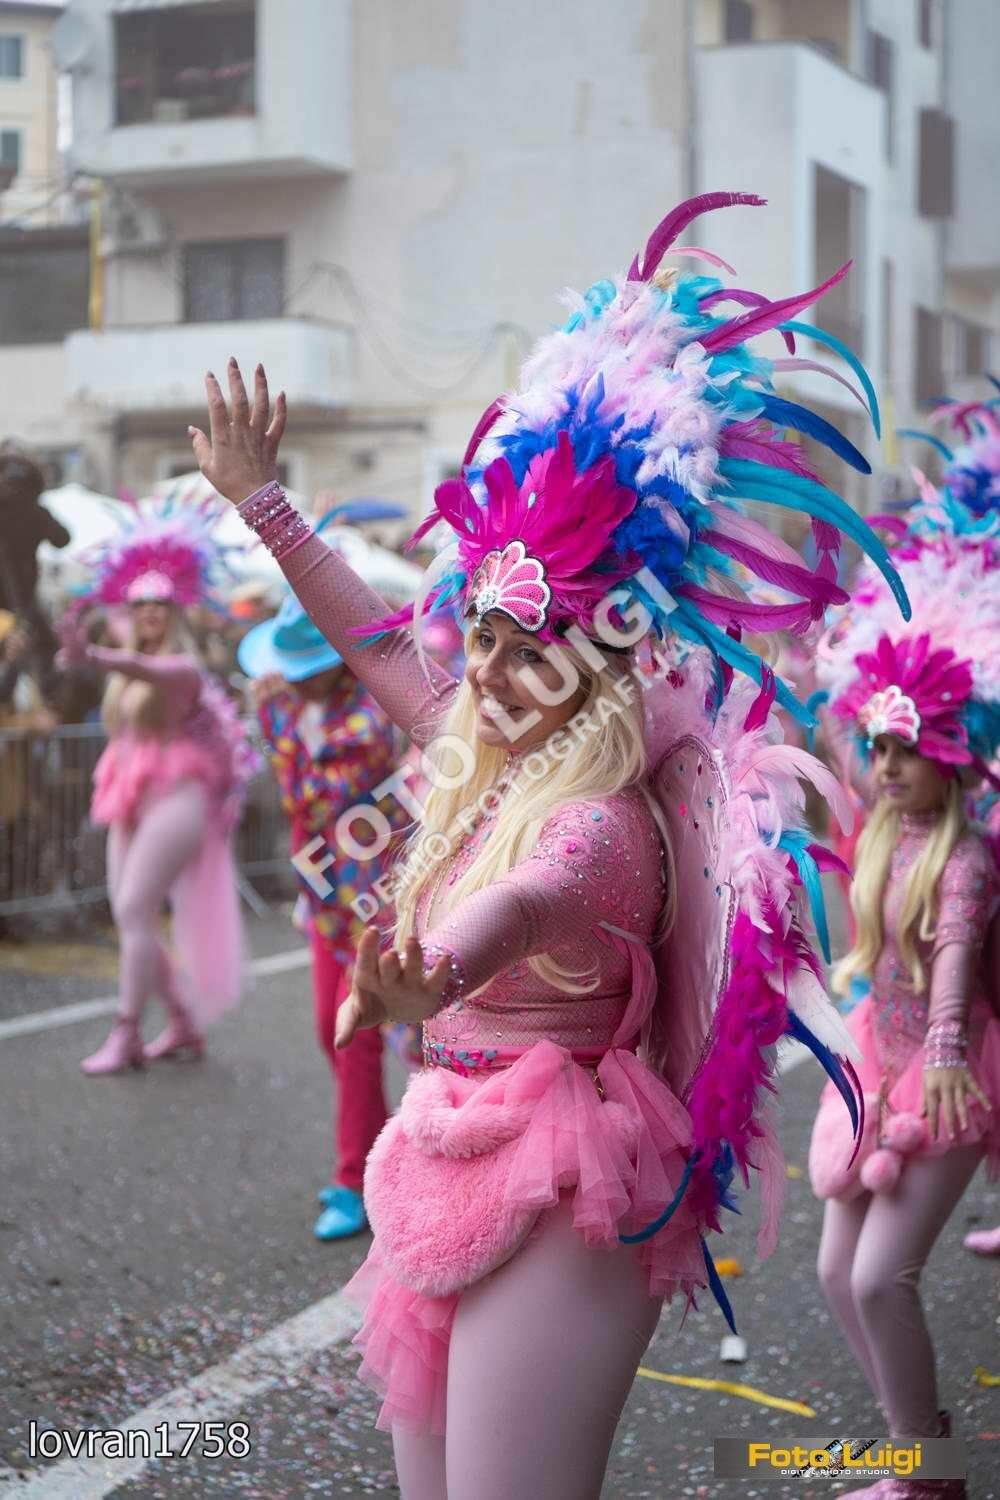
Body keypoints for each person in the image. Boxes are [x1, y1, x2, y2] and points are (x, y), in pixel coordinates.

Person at [190, 193, 904, 1500]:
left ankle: (922, 1456)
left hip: (568, 1174)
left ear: (596, 666)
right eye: (483, 639)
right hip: (446, 1134)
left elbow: (527, 903)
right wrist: (263, 503)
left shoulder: (603, 818)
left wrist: (434, 971)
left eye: (533, 650)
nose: (493, 672)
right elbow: (374, 642)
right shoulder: (482, 750)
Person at [809, 399, 1000, 1499]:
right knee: (839, 1275)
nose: (883, 765)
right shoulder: (882, 831)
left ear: (953, 757)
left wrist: (944, 1057)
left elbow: (958, 964)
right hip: (877, 1067)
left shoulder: (964, 857)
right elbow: (831, 727)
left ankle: (927, 1473)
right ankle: (911, 1450)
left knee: (883, 1277)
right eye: (876, 746)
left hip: (945, 1074)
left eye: (905, 748)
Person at [238, 555, 408, 1240]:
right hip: (322, 898)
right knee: (327, 1029)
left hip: (376, 899)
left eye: (306, 668)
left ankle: (358, 1176)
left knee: (359, 1034)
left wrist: (274, 723)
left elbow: (318, 792)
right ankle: (382, 1153)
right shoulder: (291, 712)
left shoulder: (369, 714)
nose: (294, 680)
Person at [57, 496, 257, 1074]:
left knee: (134, 905)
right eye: (140, 603)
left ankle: (126, 1033)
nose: (149, 612)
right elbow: (127, 667)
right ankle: (182, 1023)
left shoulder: (181, 668)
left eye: (160, 604)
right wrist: (95, 646)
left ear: (175, 612)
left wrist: (97, 654)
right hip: (128, 792)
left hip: (179, 795)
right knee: (132, 917)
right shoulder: (125, 666)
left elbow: (151, 670)